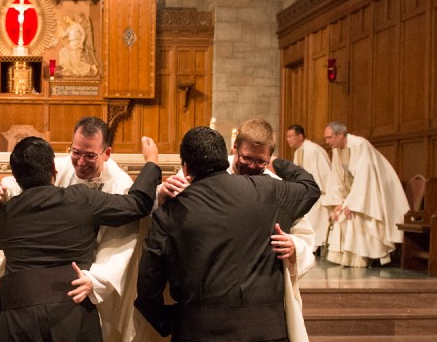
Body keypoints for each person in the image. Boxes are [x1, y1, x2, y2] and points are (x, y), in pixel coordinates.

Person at [0, 116, 165, 342]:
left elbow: (120, 241)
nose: (79, 162)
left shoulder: (120, 185)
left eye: (89, 155)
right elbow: (22, 179)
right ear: (54, 169)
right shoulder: (75, 185)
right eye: (75, 152)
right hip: (57, 298)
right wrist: (1, 191)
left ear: (106, 154)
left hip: (84, 284)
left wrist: (98, 279)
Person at [136, 126, 320, 340]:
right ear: (227, 156)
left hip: (198, 331)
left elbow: (148, 287)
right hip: (265, 330)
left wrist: (174, 322)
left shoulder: (169, 210)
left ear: (185, 168)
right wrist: (278, 163)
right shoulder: (269, 191)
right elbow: (310, 188)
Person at [321, 121, 408, 267]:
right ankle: (348, 258)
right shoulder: (337, 150)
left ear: (341, 134)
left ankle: (364, 257)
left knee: (356, 214)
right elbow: (337, 178)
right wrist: (339, 202)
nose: (327, 141)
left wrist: (351, 203)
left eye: (329, 137)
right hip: (354, 194)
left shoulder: (360, 145)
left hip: (372, 193)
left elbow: (365, 177)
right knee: (340, 214)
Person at [286, 124, 332, 247]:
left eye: (290, 136)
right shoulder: (298, 152)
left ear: (300, 136)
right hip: (307, 192)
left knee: (312, 215)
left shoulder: (313, 150)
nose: (288, 139)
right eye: (287, 137)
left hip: (318, 193)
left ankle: (315, 245)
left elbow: (324, 173)